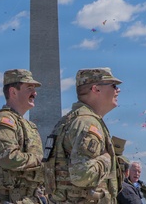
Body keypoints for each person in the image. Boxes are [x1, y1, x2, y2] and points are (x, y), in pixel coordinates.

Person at [43, 67, 123, 204]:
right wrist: (106, 159)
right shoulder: (87, 123)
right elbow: (82, 174)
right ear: (96, 89)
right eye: (113, 86)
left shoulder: (67, 121)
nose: (118, 90)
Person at [0, 69, 44, 204]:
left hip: (29, 198)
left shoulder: (27, 124)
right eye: (29, 88)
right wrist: (41, 162)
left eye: (34, 89)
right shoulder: (4, 120)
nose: (35, 93)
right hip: (11, 198)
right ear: (13, 92)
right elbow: (8, 157)